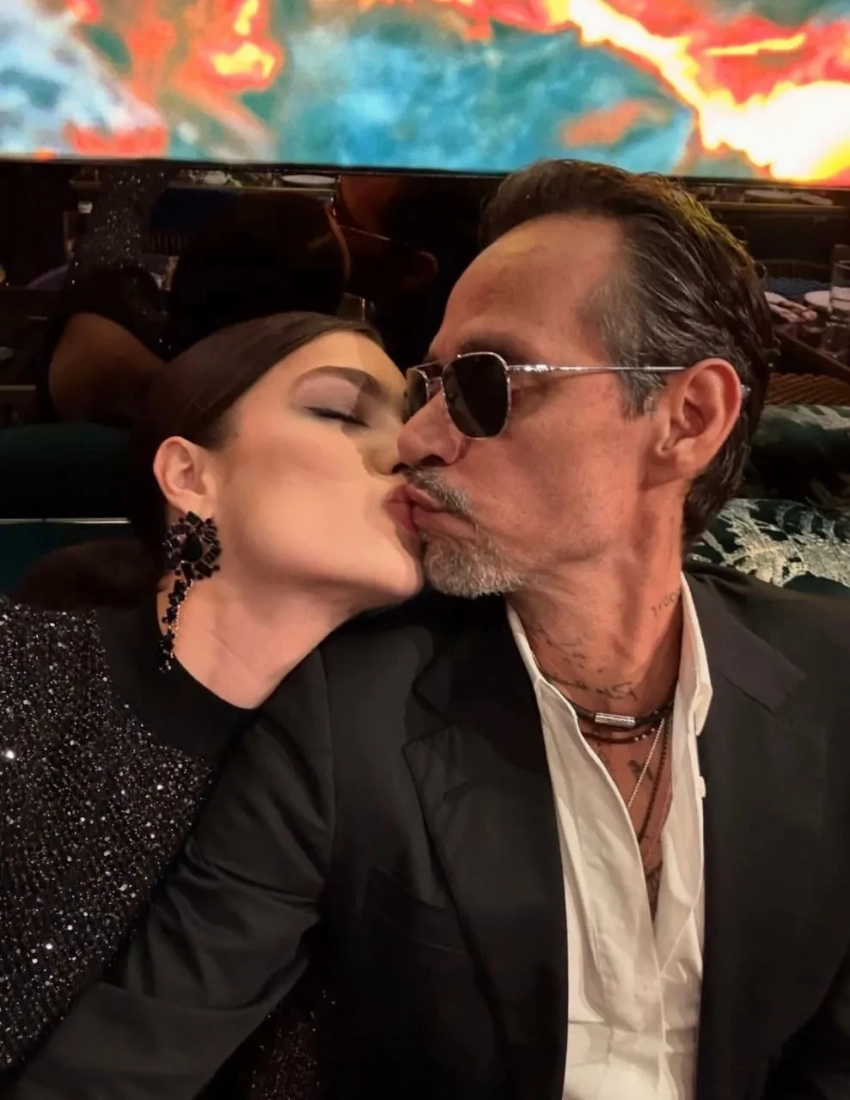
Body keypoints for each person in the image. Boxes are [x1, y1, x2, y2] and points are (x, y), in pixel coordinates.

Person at [12, 160, 850, 1100]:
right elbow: (138, 1051)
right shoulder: (346, 718)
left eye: (487, 381)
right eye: (431, 383)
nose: (412, 441)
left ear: (687, 418)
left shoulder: (833, 676)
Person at [0, 311, 420, 1081]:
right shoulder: (20, 673)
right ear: (190, 476)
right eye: (339, 412)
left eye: (413, 418)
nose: (410, 448)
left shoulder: (396, 776)